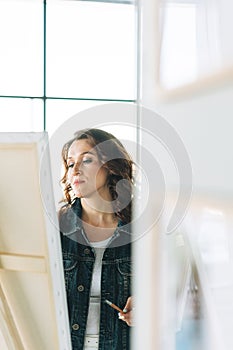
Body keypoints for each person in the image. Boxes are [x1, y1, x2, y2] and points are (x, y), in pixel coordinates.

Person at [58, 128, 134, 350]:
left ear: (111, 166)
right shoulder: (55, 229)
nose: (76, 171)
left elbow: (169, 294)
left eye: (87, 160)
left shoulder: (142, 230)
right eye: (71, 164)